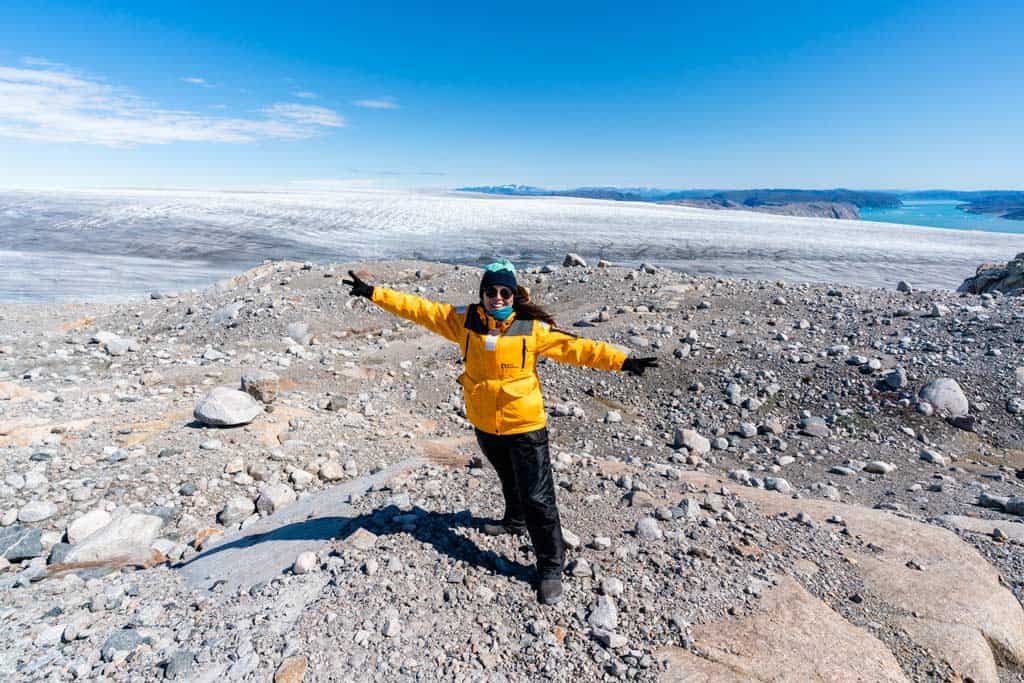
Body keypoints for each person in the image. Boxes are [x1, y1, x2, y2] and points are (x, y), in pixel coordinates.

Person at [343, 260, 657, 604]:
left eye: (504, 291)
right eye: (490, 291)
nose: (496, 297)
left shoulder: (530, 328)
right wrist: (374, 293)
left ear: (514, 294)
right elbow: (419, 308)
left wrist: (624, 361)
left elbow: (578, 349)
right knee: (507, 476)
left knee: (538, 497)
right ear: (482, 294)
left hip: (524, 425)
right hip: (485, 421)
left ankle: (550, 566)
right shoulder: (464, 321)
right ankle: (514, 520)